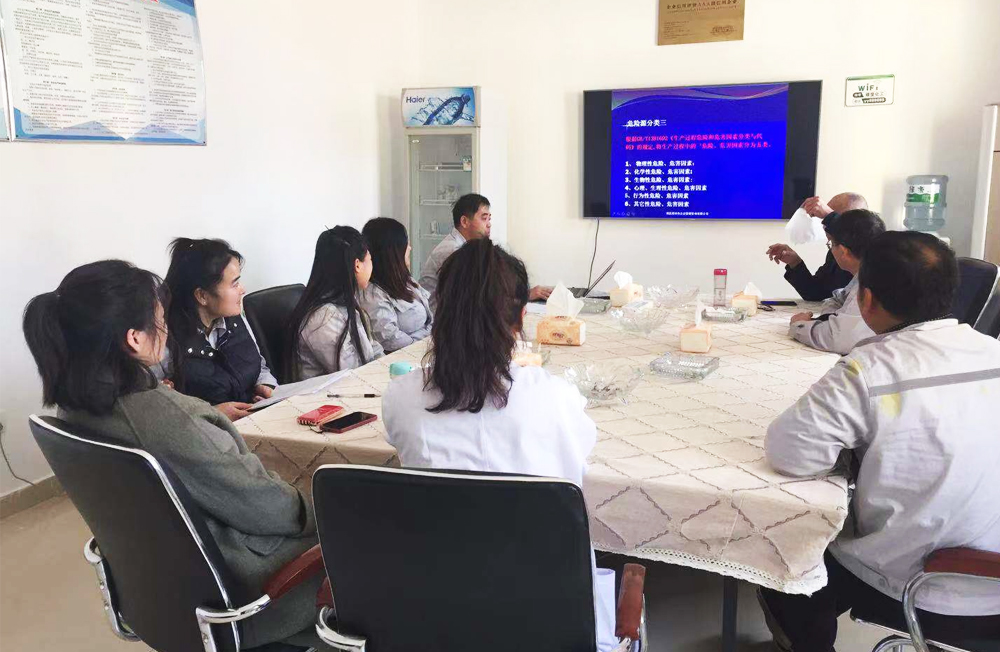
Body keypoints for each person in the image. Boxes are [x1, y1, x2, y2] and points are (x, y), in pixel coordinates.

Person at [22, 260, 321, 649]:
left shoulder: (72, 411)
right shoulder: (166, 420)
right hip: (250, 588)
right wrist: (321, 510)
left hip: (166, 589)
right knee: (371, 525)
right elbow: (265, 507)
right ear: (134, 339)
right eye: (161, 322)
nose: (167, 332)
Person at [760, 232, 1000, 652]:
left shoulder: (870, 368)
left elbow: (789, 454)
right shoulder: (991, 350)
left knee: (784, 559)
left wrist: (848, 455)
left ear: (866, 299)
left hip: (930, 588)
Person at [383, 238, 617, 652]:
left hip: (437, 614)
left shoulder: (400, 398)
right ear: (522, 318)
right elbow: (581, 456)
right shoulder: (556, 398)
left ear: (439, 312)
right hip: (549, 618)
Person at [163, 238, 276, 422]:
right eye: (234, 284)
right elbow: (157, 410)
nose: (242, 290)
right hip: (208, 432)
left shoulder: (235, 317)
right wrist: (213, 413)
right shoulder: (164, 338)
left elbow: (259, 364)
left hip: (254, 420)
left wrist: (265, 385)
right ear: (202, 295)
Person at [418, 193, 552, 310]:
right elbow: (480, 297)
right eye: (484, 218)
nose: (489, 224)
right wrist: (525, 295)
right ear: (464, 221)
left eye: (489, 219)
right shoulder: (453, 250)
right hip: (439, 321)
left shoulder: (469, 247)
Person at [286, 226, 384, 380]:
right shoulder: (323, 317)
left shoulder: (347, 302)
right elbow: (350, 371)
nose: (372, 265)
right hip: (330, 392)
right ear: (357, 265)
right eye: (370, 259)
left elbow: (373, 349)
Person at [787, 209, 886, 354]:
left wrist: (799, 325)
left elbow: (839, 339)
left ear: (844, 251)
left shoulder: (873, 282)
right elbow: (836, 299)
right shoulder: (869, 271)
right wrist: (834, 319)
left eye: (831, 244)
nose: (831, 250)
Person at [767, 192, 869, 301]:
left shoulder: (874, 249)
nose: (826, 226)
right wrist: (795, 263)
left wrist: (829, 215)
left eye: (835, 218)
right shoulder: (836, 250)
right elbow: (816, 293)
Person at [359, 217, 433, 352]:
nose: (410, 248)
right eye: (405, 244)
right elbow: (390, 339)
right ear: (392, 252)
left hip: (427, 347)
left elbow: (431, 318)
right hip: (407, 356)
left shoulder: (406, 280)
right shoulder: (373, 294)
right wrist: (425, 340)